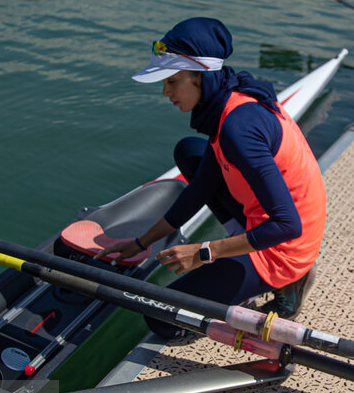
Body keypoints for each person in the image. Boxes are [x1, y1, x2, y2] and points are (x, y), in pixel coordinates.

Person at [96, 17, 326, 337]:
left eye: (172, 82)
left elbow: (288, 224)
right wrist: (140, 242)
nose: (165, 92)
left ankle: (289, 285)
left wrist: (204, 252)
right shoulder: (228, 102)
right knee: (190, 152)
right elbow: (200, 188)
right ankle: (238, 255)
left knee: (161, 319)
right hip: (271, 222)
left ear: (199, 77)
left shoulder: (238, 129)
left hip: (285, 245)